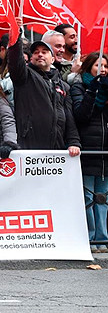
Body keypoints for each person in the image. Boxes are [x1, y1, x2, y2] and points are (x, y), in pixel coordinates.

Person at [6, 35, 81, 154]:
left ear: (52, 59)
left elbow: (68, 116)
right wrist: (16, 37)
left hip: (56, 149)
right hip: (29, 148)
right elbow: (15, 62)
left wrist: (74, 142)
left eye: (44, 52)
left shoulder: (63, 86)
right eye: (36, 52)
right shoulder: (25, 77)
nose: (40, 54)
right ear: (31, 59)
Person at [69, 52, 108, 251]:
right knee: (87, 197)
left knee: (103, 197)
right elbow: (81, 116)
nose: (102, 69)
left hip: (104, 151)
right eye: (98, 65)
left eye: (105, 66)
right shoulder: (79, 86)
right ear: (89, 67)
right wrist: (93, 92)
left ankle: (103, 238)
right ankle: (90, 237)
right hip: (88, 149)